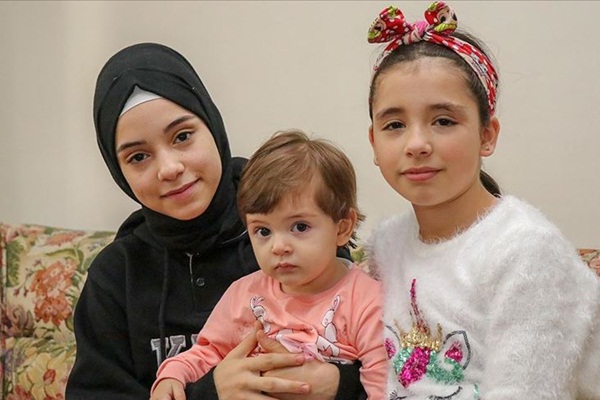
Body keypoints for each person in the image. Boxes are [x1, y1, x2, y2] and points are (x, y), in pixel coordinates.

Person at [65, 42, 367, 399]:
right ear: (119, 171)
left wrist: (338, 384)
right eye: (139, 157)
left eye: (182, 137)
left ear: (212, 126)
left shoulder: (291, 229)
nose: (169, 168)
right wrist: (209, 392)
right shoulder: (116, 276)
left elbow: (373, 357)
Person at [364, 2, 600, 399]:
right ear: (374, 142)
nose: (416, 144)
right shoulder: (385, 246)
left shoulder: (526, 250)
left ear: (487, 134)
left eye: (443, 121)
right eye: (395, 124)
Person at [150, 130, 387, 400]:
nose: (278, 246)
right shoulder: (245, 293)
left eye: (300, 227)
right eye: (263, 231)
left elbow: (384, 386)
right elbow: (209, 351)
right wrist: (173, 374)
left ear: (342, 228)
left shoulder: (366, 301)